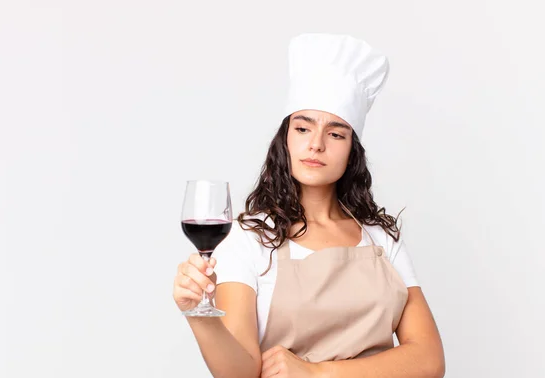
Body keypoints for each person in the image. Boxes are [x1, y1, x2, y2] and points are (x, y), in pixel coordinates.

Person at [173, 33, 445, 378]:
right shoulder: (250, 239)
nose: (316, 144)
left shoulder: (381, 238)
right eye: (303, 128)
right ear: (285, 139)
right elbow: (240, 372)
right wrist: (199, 314)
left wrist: (316, 373)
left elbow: (429, 361)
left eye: (335, 134)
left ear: (352, 151)